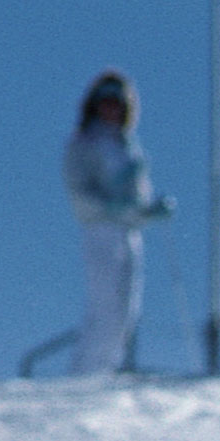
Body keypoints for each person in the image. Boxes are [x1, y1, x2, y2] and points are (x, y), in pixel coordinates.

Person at [62, 71, 173, 376]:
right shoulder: (86, 142)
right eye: (106, 102)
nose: (111, 109)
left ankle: (107, 370)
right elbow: (79, 193)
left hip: (128, 233)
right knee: (105, 307)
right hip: (102, 231)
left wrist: (148, 211)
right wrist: (109, 207)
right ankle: (84, 374)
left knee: (126, 312)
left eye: (118, 104)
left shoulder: (127, 146)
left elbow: (135, 197)